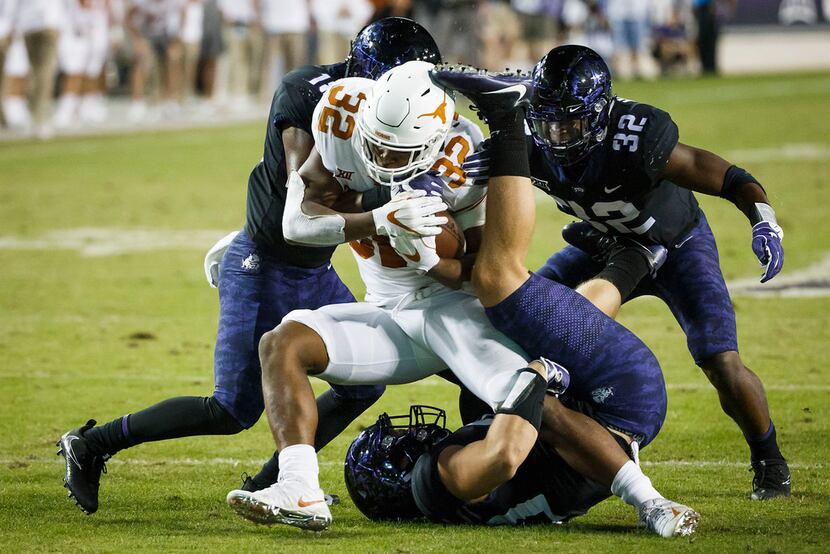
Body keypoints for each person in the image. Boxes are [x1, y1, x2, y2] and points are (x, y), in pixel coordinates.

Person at [227, 59, 696, 536]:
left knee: (535, 404)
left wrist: (430, 258)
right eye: (376, 146)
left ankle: (649, 500)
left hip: (455, 311)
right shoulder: (342, 119)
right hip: (390, 310)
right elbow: (296, 223)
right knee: (281, 343)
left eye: (398, 152)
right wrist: (379, 221)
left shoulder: (464, 152)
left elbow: (484, 270)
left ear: (434, 140)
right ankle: (301, 489)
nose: (383, 161)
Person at [56, 18, 445, 516]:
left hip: (314, 268)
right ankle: (91, 445)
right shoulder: (310, 96)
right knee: (232, 408)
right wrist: (380, 219)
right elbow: (300, 207)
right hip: (268, 263)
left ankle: (276, 480)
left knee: (363, 384)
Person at [458, 45, 790, 500]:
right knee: (521, 318)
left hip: (676, 246)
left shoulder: (634, 136)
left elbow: (710, 169)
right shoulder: (531, 143)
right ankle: (510, 438)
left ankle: (770, 460)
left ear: (599, 114)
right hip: (607, 244)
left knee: (721, 360)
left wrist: (762, 216)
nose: (556, 133)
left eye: (570, 121)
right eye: (548, 120)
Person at [345, 402, 697, 537]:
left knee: (478, 396)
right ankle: (651, 503)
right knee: (533, 397)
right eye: (397, 442)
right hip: (582, 451)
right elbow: (504, 457)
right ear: (394, 477)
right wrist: (534, 375)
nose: (409, 432)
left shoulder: (441, 496)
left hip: (577, 471)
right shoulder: (433, 480)